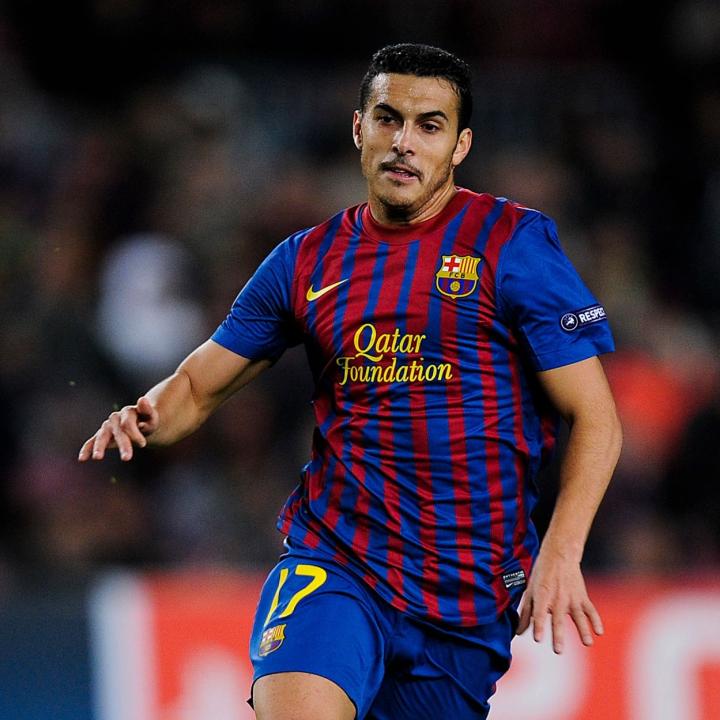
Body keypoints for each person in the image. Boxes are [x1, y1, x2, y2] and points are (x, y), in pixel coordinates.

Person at [79, 43, 622, 720]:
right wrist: (147, 415)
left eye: (429, 125)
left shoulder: (512, 244)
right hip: (338, 563)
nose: (404, 142)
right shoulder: (305, 261)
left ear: (460, 146)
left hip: (464, 598)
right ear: (359, 128)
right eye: (388, 118)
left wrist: (562, 551)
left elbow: (596, 418)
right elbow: (195, 388)